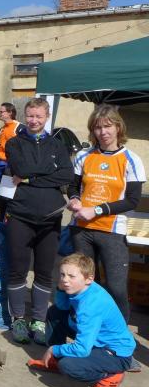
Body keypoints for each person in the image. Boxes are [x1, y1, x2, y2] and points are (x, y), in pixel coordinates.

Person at [4, 97, 74, 345]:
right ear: (25, 116)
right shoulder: (14, 143)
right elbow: (20, 168)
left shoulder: (57, 145)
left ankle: (38, 320)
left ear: (47, 117)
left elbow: (67, 175)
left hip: (50, 218)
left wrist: (30, 179)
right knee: (18, 270)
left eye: (39, 116)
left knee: (44, 272)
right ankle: (18, 319)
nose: (34, 120)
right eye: (30, 116)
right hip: (20, 216)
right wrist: (47, 172)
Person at [68, 104, 145, 322]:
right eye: (98, 127)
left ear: (118, 127)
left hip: (112, 231)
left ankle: (119, 333)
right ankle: (88, 326)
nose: (103, 132)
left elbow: (132, 200)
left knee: (116, 287)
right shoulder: (83, 155)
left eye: (107, 126)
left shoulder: (131, 159)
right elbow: (73, 187)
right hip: (81, 230)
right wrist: (74, 199)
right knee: (85, 284)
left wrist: (97, 210)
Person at [28, 253, 135, 387]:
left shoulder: (90, 306)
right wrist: (60, 290)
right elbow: (62, 307)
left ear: (89, 279)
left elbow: (82, 349)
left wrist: (55, 349)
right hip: (95, 339)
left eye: (71, 276)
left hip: (115, 355)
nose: (65, 280)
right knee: (55, 312)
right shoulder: (80, 288)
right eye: (62, 274)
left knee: (68, 366)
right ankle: (54, 361)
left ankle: (111, 375)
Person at [0, 102, 24, 221]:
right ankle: (1, 223)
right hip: (2, 167)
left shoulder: (19, 127)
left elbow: (24, 149)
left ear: (10, 112)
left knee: (10, 199)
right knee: (2, 198)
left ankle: (10, 223)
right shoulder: (2, 129)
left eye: (1, 112)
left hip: (12, 168)